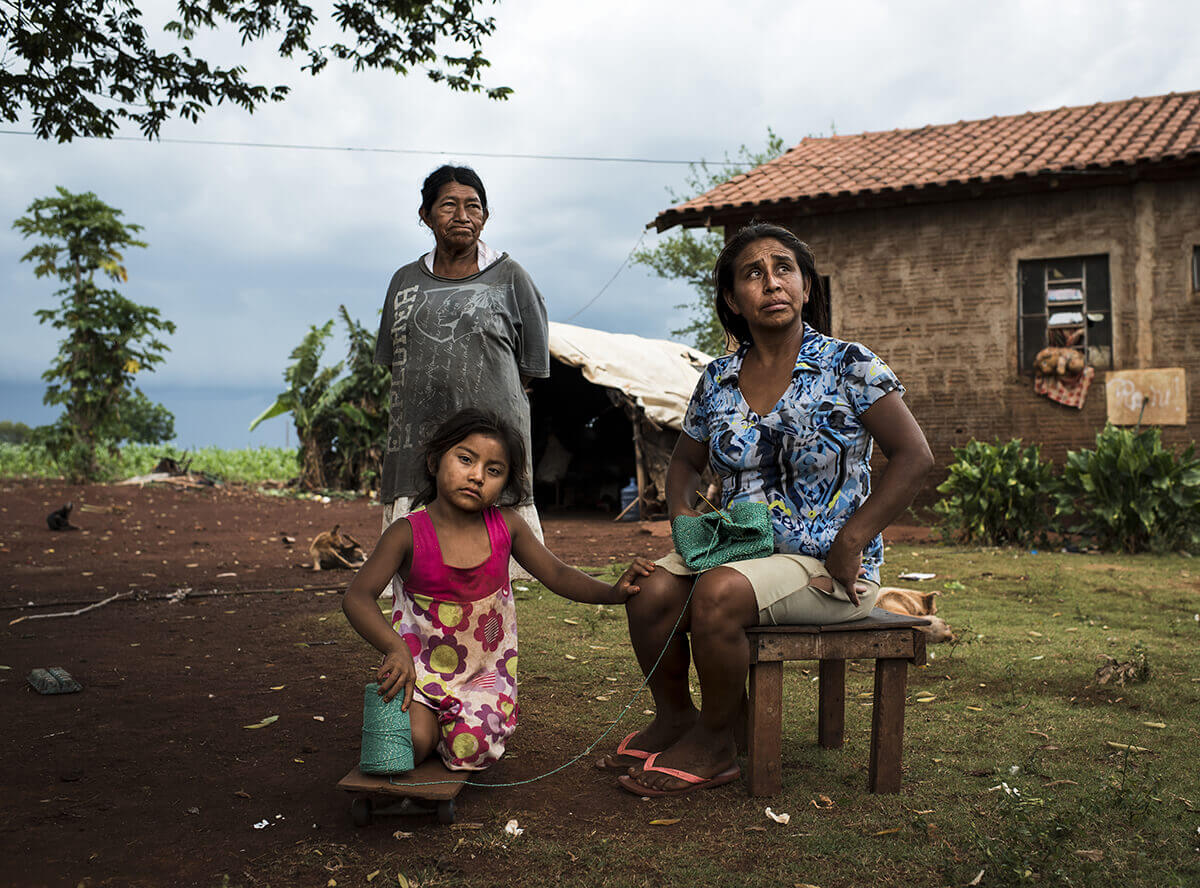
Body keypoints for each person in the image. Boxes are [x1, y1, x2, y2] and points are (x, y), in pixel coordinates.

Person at [602, 222, 934, 797]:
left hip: (827, 565)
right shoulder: (719, 379)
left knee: (718, 594)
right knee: (652, 591)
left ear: (806, 286)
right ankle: (676, 717)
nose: (771, 282)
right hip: (738, 548)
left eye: (784, 269)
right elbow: (683, 465)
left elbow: (914, 457)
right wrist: (684, 522)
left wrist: (853, 539)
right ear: (733, 299)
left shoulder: (849, 365)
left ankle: (715, 742)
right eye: (752, 273)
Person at [343, 409, 654, 771]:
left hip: (482, 678)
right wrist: (394, 649)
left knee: (470, 750)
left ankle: (456, 729)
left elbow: (556, 572)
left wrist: (613, 592)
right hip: (419, 673)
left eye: (494, 470)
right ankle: (429, 729)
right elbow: (357, 598)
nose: (477, 476)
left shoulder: (507, 527)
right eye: (465, 459)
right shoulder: (406, 533)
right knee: (411, 743)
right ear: (434, 461)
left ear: (505, 483)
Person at [375, 164, 550, 577]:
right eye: (448, 205)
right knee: (419, 563)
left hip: (492, 431)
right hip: (418, 433)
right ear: (425, 215)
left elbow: (530, 367)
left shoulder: (511, 277)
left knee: (490, 504)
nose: (462, 216)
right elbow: (395, 361)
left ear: (485, 217)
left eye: (473, 206)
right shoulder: (404, 280)